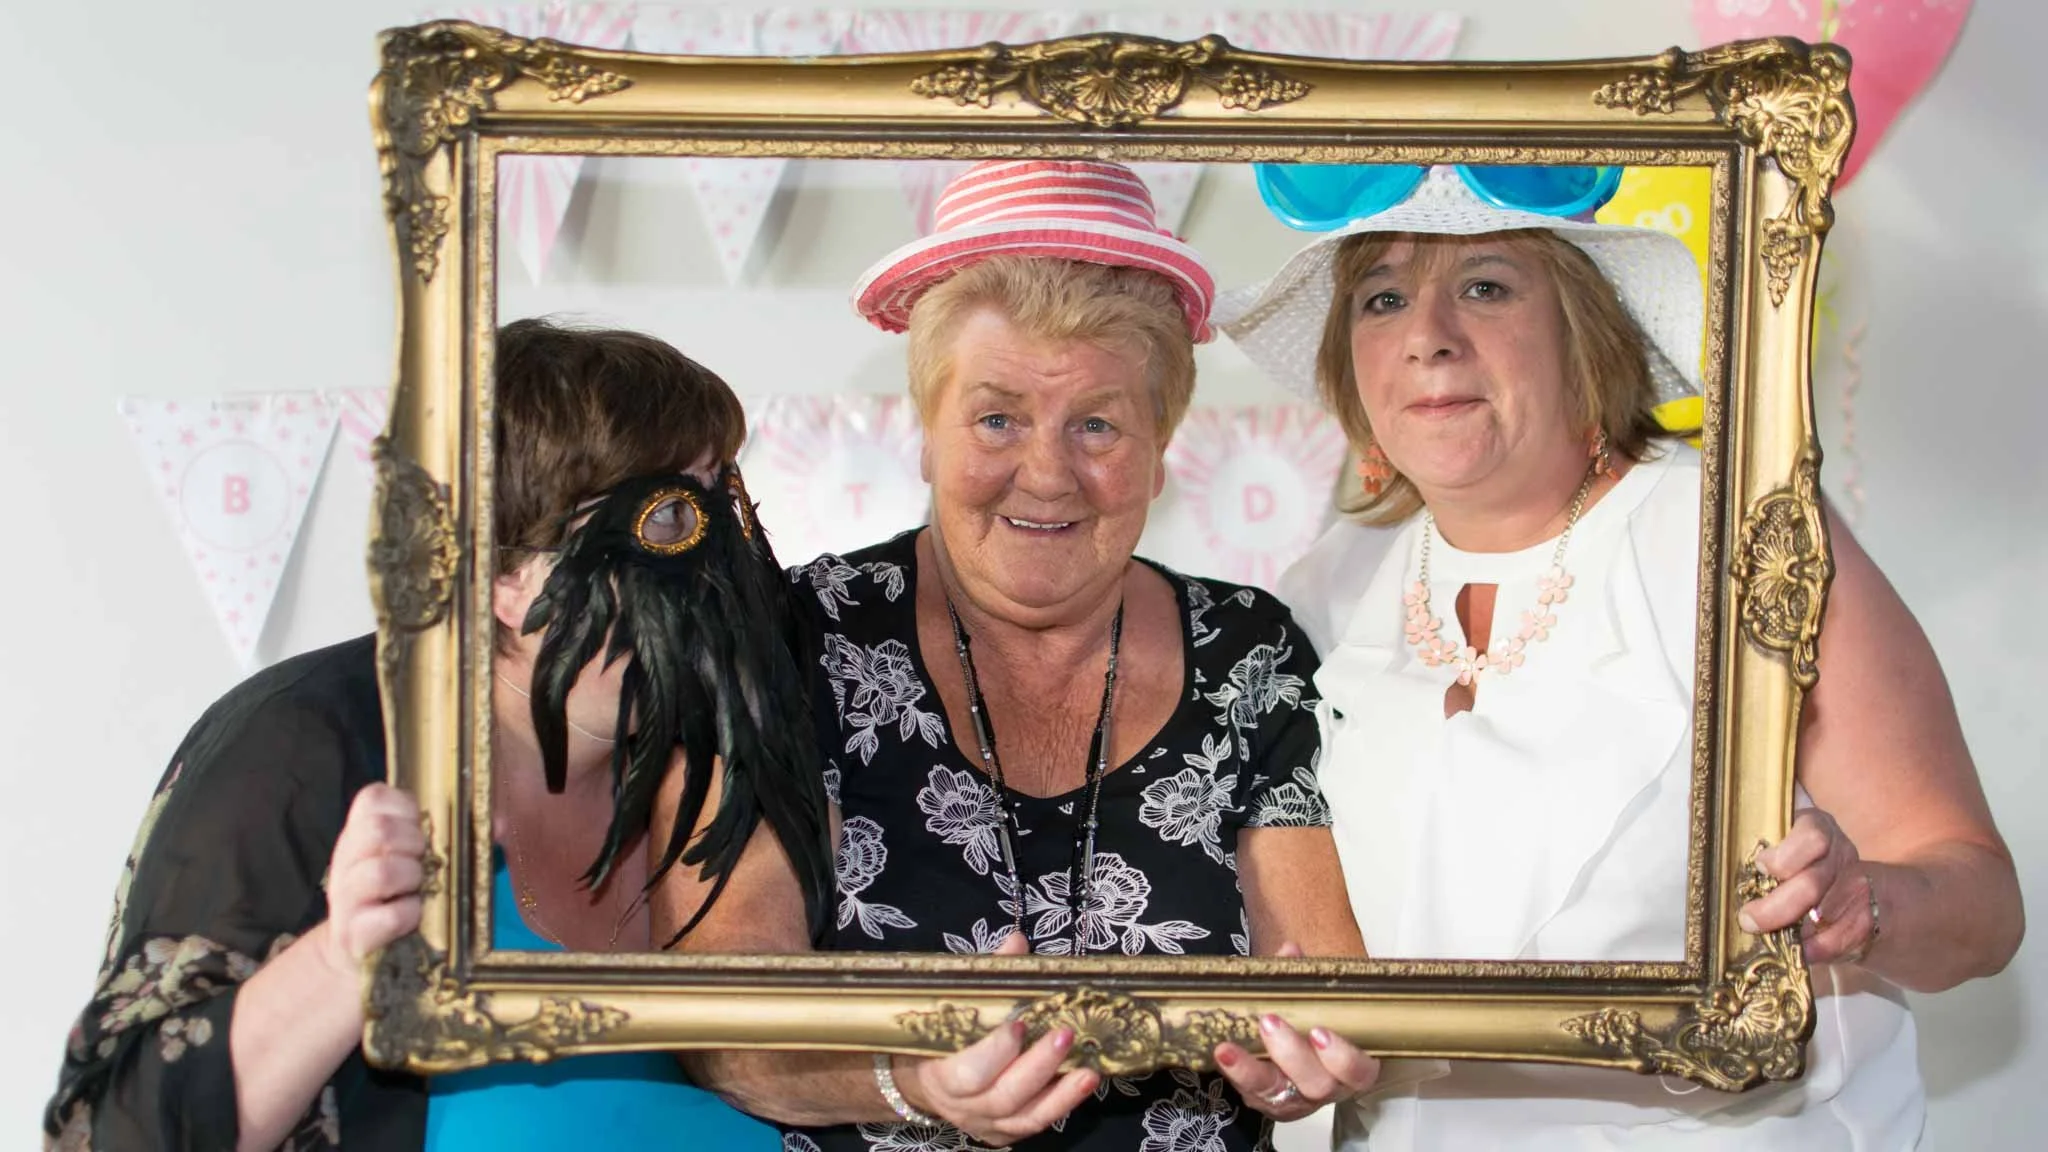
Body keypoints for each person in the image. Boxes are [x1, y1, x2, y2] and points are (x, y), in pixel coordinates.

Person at [1216, 162, 2025, 1147]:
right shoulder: (1318, 593)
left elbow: (1979, 909)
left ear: (1580, 328)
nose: (1426, 336)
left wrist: (1869, 903)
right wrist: (1281, 1047)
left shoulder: (1741, 538)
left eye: (1484, 285)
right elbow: (1306, 952)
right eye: (1381, 298)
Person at [652, 159, 1380, 1151]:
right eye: (996, 418)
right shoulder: (798, 635)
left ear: (1163, 446)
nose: (1045, 473)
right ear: (927, 432)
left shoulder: (1249, 651)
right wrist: (912, 1083)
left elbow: (1321, 987)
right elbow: (718, 1019)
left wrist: (1306, 1071)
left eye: (1098, 426)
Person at [43, 317, 826, 1151]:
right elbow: (113, 1133)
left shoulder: (728, 766)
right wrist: (345, 966)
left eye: (723, 503)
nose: (718, 566)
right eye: (665, 523)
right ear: (502, 577)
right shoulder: (315, 745)